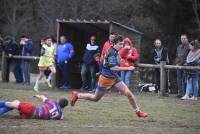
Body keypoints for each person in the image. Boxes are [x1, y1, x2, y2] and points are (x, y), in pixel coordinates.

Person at [70, 35, 148, 118]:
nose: (122, 46)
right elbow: (113, 67)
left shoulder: (116, 50)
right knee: (95, 98)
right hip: (105, 79)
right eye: (120, 44)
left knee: (129, 94)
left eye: (122, 44)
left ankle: (138, 112)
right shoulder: (111, 52)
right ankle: (77, 95)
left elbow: (120, 59)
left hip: (114, 78)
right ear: (115, 44)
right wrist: (128, 67)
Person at [0, 95, 68, 120]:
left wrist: (38, 96)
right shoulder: (59, 115)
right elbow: (62, 117)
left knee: (9, 103)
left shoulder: (53, 103)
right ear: (63, 107)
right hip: (30, 117)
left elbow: (43, 97)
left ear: (58, 101)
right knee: (15, 102)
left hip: (32, 109)